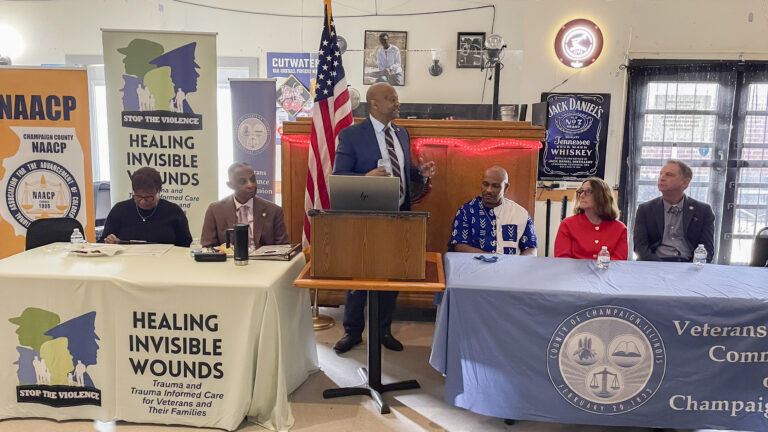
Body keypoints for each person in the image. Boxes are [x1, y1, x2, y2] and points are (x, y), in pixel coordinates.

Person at [331, 82, 436, 354]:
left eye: (397, 98)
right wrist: (366, 179)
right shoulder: (351, 135)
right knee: (358, 277)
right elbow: (339, 176)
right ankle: (352, 332)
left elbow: (404, 170)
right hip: (365, 218)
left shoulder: (402, 133)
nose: (397, 103)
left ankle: (383, 330)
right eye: (391, 99)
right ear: (374, 104)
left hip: (399, 215)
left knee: (393, 276)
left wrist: (419, 172)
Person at [633, 159, 715, 262]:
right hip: (654, 265)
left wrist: (691, 267)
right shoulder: (645, 209)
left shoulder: (703, 211)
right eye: (661, 174)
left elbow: (707, 250)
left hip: (689, 265)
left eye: (669, 175)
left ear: (685, 182)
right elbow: (640, 248)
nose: (662, 178)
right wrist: (659, 267)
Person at [450, 166, 537, 255]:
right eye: (485, 184)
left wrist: (517, 265)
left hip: (511, 267)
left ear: (506, 187)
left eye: (495, 186)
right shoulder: (466, 211)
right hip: (476, 266)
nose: (488, 190)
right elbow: (460, 246)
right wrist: (493, 259)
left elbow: (531, 248)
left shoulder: (520, 213)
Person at [200, 162, 288, 249]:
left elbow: (283, 247)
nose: (250, 185)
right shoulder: (215, 210)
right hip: (228, 262)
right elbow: (208, 247)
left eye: (253, 179)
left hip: (266, 261)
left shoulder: (273, 210)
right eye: (243, 181)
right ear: (230, 185)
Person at [101, 167, 192, 247]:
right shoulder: (120, 210)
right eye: (138, 197)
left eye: (149, 197)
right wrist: (109, 241)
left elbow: (186, 245)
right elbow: (102, 242)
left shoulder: (173, 211)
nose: (143, 201)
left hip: (164, 264)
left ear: (159, 191)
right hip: (128, 264)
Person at [555, 177, 628, 260]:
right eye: (581, 192)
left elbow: (619, 263)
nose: (581, 196)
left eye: (588, 191)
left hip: (608, 273)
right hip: (575, 273)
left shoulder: (620, 228)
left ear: (602, 196)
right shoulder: (567, 224)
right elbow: (562, 260)